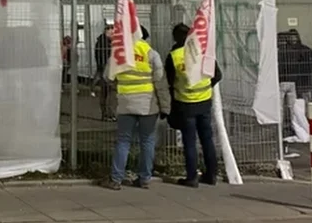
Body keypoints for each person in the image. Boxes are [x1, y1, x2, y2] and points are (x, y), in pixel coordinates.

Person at [102, 26, 170, 190]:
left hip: (125, 103)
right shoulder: (151, 53)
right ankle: (145, 178)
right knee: (147, 141)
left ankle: (116, 179)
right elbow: (160, 82)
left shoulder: (118, 53)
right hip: (148, 105)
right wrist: (165, 107)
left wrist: (120, 83)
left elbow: (107, 77)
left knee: (123, 141)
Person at [165, 23, 222, 188]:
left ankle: (192, 177)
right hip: (204, 102)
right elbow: (217, 75)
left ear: (175, 37)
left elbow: (169, 81)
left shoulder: (174, 56)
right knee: (207, 139)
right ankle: (211, 175)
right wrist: (205, 87)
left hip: (185, 103)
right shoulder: (203, 52)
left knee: (189, 141)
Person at [94, 24, 116, 121]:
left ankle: (107, 114)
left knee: (106, 92)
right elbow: (103, 58)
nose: (113, 34)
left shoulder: (103, 42)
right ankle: (107, 114)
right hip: (105, 69)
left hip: (105, 69)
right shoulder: (104, 43)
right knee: (107, 92)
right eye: (111, 32)